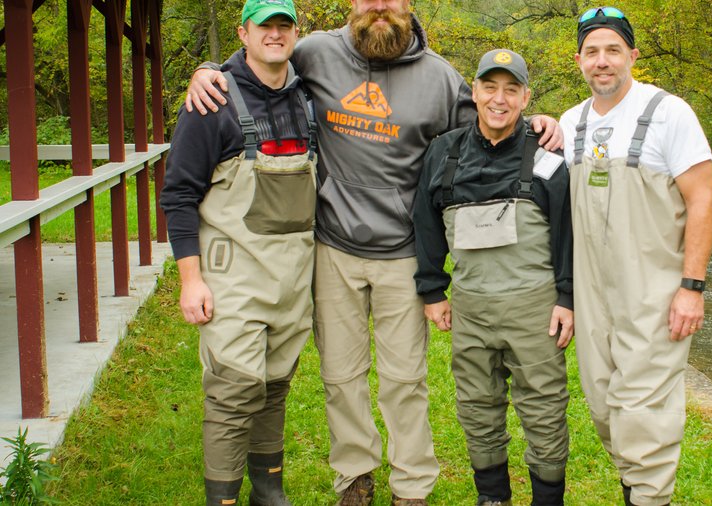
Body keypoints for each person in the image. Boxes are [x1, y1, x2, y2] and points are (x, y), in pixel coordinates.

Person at [184, 2, 562, 505]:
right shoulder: (317, 52)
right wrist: (209, 71)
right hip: (333, 247)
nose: (379, 6)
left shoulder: (440, 78)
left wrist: (540, 121)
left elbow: (493, 120)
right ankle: (354, 476)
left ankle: (411, 487)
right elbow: (262, 61)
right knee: (341, 377)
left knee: (405, 380)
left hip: (402, 253)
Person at [159, 0, 317, 504]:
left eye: (283, 25)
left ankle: (268, 492)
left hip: (292, 279)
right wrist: (190, 279)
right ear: (242, 33)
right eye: (264, 25)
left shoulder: (308, 98)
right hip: (234, 278)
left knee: (273, 387)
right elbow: (179, 194)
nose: (275, 34)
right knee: (233, 392)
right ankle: (221, 498)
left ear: (295, 33)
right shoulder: (212, 102)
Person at [559, 6, 712, 506]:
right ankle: (635, 486)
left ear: (633, 55)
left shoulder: (670, 112)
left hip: (654, 295)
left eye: (612, 50)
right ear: (578, 60)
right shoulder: (570, 122)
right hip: (593, 298)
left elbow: (702, 200)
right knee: (605, 407)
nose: (602, 61)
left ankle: (649, 496)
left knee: (643, 414)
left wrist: (692, 289)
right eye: (592, 52)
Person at [412, 49, 574, 506]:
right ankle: (493, 499)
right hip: (471, 307)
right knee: (477, 408)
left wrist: (568, 297)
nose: (498, 99)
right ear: (474, 92)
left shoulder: (548, 154)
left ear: (525, 97)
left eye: (510, 89)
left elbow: (567, 232)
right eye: (489, 87)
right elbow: (425, 224)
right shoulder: (443, 152)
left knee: (543, 409)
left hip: (534, 310)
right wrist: (431, 289)